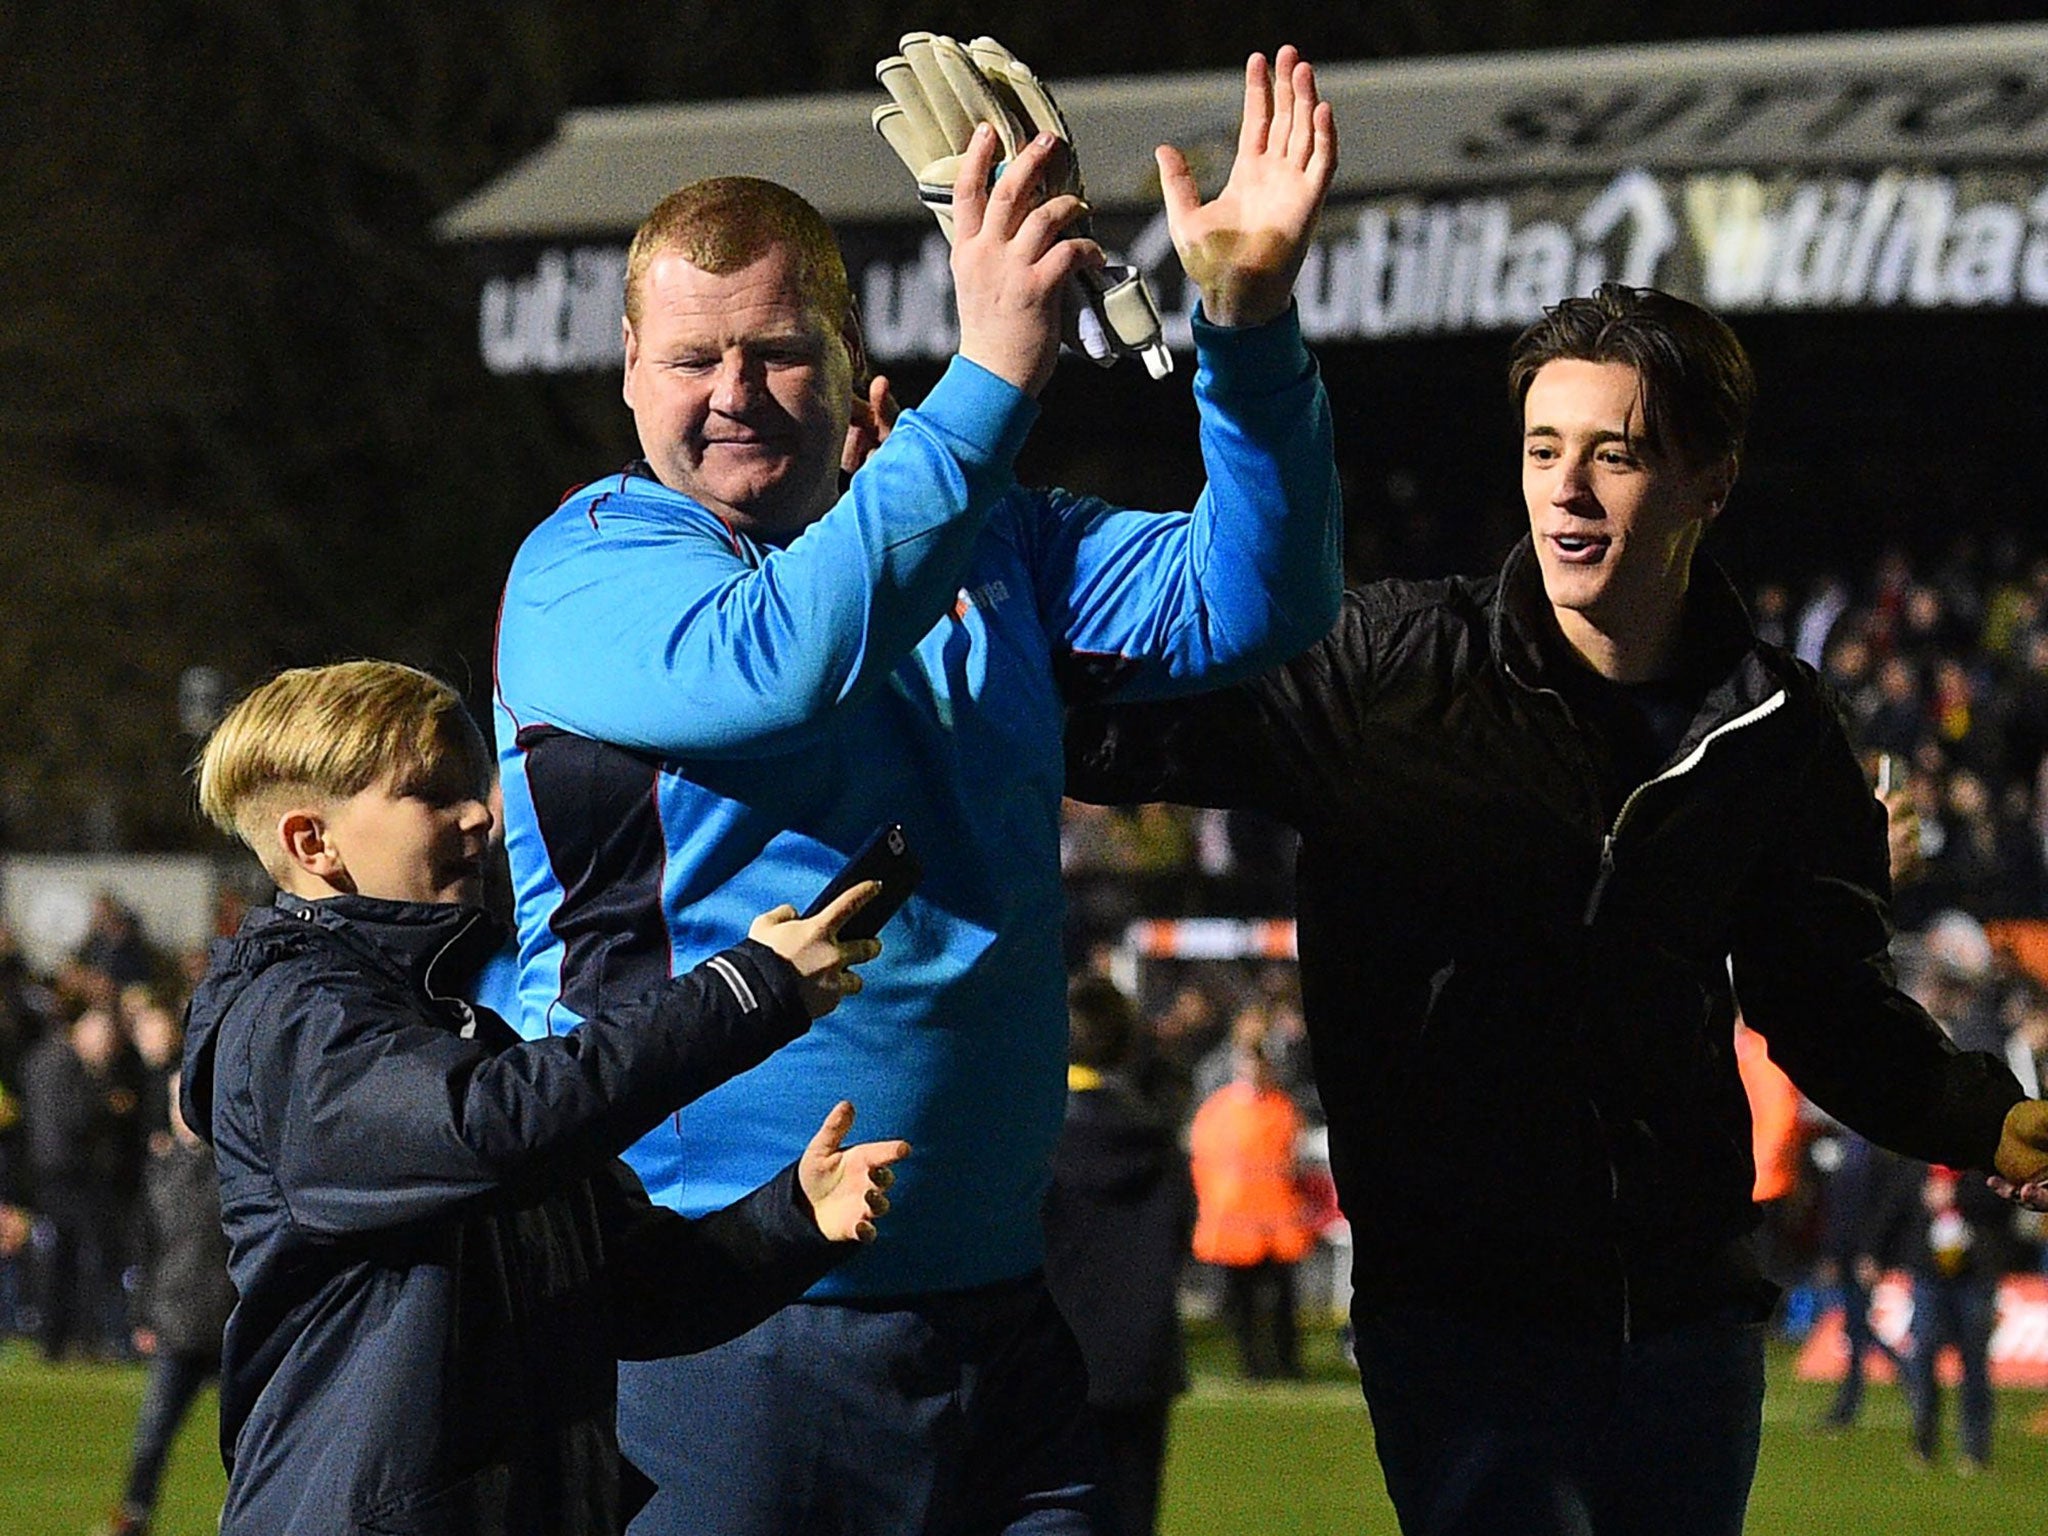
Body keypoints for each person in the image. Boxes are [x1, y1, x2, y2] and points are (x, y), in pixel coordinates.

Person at [492, 44, 1342, 1535]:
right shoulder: (582, 571)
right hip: (703, 1310)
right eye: (691, 361)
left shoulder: (988, 545)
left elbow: (1258, 596)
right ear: (629, 374)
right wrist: (997, 371)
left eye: (775, 352)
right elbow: (785, 661)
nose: (735, 394)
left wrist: (1251, 329)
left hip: (997, 1316)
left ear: (845, 355)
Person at [1064, 282, 2048, 1535]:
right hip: (1459, 1326)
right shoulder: (1385, 668)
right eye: (1542, 449)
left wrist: (1979, 1118)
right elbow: (1110, 735)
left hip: (1686, 1327)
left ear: (1710, 483)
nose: (1565, 488)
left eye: (1614, 453)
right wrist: (913, 563)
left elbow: (1821, 1004)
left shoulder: (1778, 733)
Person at [179, 660, 908, 1536]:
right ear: (312, 843)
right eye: (431, 793)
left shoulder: (449, 1030)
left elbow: (628, 1293)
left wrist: (796, 1216)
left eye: (472, 784)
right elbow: (490, 1128)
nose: (480, 814)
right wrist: (742, 993)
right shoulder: (292, 1018)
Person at [1042, 975, 1194, 1536]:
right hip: (1141, 1360)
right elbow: (1182, 1237)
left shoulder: (1037, 1141)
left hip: (1050, 1358)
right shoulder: (1159, 1140)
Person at [99, 1071, 238, 1536]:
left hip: (227, 1324)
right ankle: (133, 1517)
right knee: (152, 1435)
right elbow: (146, 1250)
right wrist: (142, 1314)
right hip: (176, 1323)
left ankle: (244, 1518)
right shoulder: (161, 1168)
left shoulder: (235, 1168)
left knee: (246, 1440)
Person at [1188, 1029, 1312, 1381]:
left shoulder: (1281, 1110)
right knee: (1243, 1306)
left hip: (1274, 1224)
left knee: (1282, 1304)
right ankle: (1254, 1365)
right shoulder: (1219, 1111)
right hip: (1237, 1225)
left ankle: (1285, 1364)